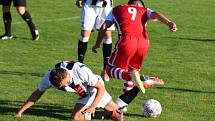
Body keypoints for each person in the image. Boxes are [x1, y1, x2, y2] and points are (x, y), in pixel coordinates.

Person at [92, 0, 177, 110]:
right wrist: (169, 23)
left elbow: (104, 26)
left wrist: (97, 44)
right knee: (132, 70)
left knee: (108, 70)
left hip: (127, 41)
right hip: (144, 43)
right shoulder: (143, 10)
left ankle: (132, 77)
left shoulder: (116, 9)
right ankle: (122, 106)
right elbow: (156, 13)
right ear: (138, 4)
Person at [15, 61, 122, 121]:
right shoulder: (48, 79)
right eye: (62, 86)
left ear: (67, 74)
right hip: (84, 93)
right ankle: (109, 113)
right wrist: (20, 112)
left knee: (76, 117)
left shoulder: (81, 72)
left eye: (66, 83)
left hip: (93, 87)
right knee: (114, 111)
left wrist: (93, 106)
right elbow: (37, 94)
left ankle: (109, 113)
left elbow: (100, 87)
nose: (66, 86)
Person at [75, 0, 114, 81]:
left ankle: (105, 70)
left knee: (107, 34)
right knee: (85, 33)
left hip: (106, 5)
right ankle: (80, 67)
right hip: (90, 4)